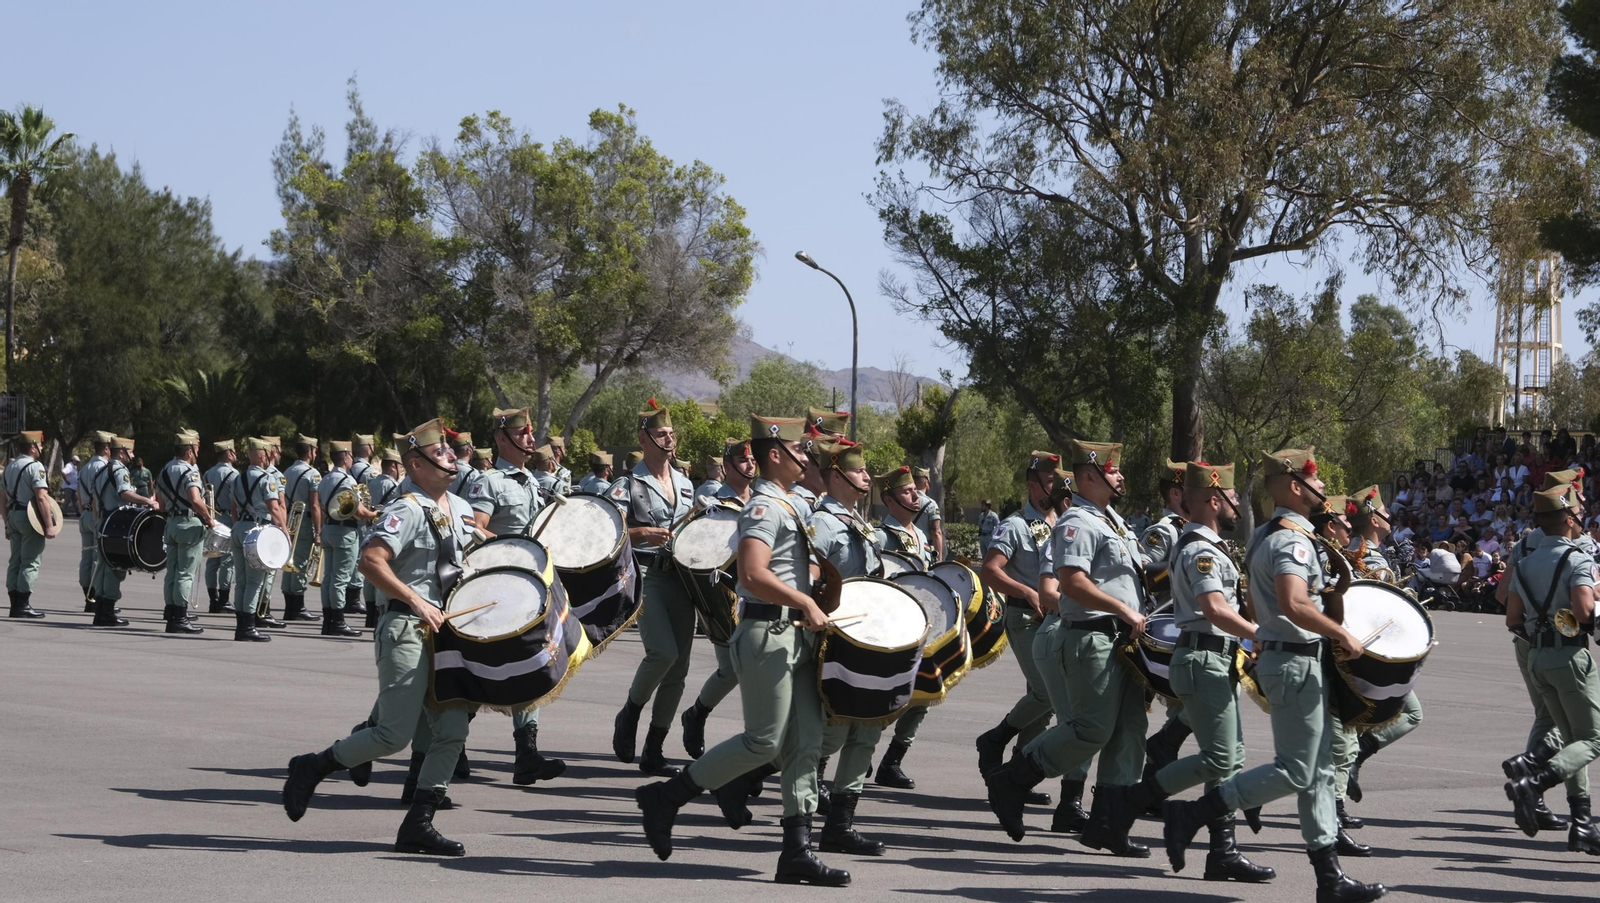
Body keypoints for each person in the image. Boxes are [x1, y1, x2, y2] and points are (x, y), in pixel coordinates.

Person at [1161, 447, 1386, 903]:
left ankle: (1329, 879)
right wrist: (1343, 634)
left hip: (1299, 658)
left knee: (1320, 771)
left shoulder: (1274, 533)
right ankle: (1193, 815)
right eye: (1314, 480)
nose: (1322, 488)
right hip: (1295, 661)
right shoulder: (1290, 540)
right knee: (1296, 770)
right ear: (1292, 486)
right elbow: (1294, 602)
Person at [635, 415, 849, 887]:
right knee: (765, 740)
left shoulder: (790, 505)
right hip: (768, 635)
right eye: (799, 449)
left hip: (797, 635)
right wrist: (806, 600)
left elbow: (790, 573)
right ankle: (666, 797)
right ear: (776, 454)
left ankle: (797, 851)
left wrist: (819, 592)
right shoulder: (763, 509)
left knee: (806, 745)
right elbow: (752, 575)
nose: (806, 457)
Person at [280, 418, 477, 856]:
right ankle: (313, 767)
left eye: (449, 451)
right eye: (441, 453)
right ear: (416, 464)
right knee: (394, 735)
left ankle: (418, 823)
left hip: (446, 634)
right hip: (407, 627)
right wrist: (417, 600)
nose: (451, 457)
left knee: (453, 728)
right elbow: (371, 561)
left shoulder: (461, 508)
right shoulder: (405, 508)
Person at [983, 440, 1151, 857]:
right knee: (1090, 730)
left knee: (1129, 732)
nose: (1121, 477)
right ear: (1091, 476)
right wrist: (1123, 611)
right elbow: (1072, 582)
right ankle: (1013, 779)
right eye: (1113, 472)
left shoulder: (1113, 522)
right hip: (1091, 637)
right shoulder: (1075, 521)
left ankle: (1108, 824)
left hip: (1122, 640)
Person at [1108, 461, 1274, 883]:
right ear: (1215, 500)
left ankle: (1223, 852)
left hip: (1213, 657)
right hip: (1203, 659)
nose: (1239, 505)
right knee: (1221, 757)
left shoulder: (1208, 545)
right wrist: (1262, 636)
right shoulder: (1201, 550)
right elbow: (1214, 609)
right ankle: (1135, 800)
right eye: (1234, 498)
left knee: (1229, 760)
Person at [469, 407, 566, 785]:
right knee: (481, 669)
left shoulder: (533, 483)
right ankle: (451, 744)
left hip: (530, 589)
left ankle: (527, 754)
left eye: (530, 433)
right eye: (522, 433)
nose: (530, 439)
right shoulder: (488, 482)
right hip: (495, 586)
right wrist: (512, 550)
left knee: (529, 665)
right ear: (501, 438)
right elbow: (476, 529)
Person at [1503, 483, 1600, 854]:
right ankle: (1535, 781)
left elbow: (1512, 616)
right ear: (1569, 519)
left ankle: (1582, 822)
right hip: (1569, 656)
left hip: (1537, 657)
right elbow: (1583, 611)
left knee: (1574, 739)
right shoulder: (1576, 558)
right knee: (1593, 739)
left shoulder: (1525, 562)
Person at [807, 438, 891, 857]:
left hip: (866, 636)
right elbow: (808, 578)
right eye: (859, 471)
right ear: (836, 475)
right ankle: (750, 777)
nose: (867, 476)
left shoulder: (858, 520)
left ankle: (840, 824)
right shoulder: (822, 523)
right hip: (834, 639)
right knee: (832, 732)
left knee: (868, 729)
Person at [976, 452, 1073, 817]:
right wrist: (1028, 592)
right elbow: (990, 570)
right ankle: (994, 739)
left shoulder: (1064, 521)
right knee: (1047, 693)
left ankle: (1018, 773)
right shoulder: (1014, 525)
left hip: (1057, 620)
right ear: (1033, 484)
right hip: (1025, 618)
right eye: (1050, 481)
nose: (1057, 486)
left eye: (1059, 480)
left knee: (1043, 706)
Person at [610, 400, 699, 776]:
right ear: (643, 439)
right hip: (648, 575)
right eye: (661, 433)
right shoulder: (628, 482)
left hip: (683, 578)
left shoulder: (685, 482)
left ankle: (655, 747)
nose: (669, 438)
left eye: (671, 432)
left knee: (679, 668)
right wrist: (640, 533)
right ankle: (629, 712)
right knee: (661, 653)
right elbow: (603, 531)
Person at [679, 437, 759, 756]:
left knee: (755, 667)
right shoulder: (715, 503)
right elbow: (696, 549)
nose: (749, 464)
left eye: (752, 459)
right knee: (732, 669)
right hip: (722, 591)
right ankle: (697, 714)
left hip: (757, 593)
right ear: (726, 468)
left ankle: (756, 743)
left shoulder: (762, 499)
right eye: (742, 461)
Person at [873, 465, 936, 789]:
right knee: (884, 697)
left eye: (916, 490)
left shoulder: (919, 534)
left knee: (923, 695)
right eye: (908, 491)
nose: (916, 495)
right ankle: (852, 755)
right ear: (889, 499)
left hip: (920, 625)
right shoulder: (881, 537)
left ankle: (892, 761)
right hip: (892, 626)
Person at [1141, 460, 1195, 783]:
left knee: (1186, 710)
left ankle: (1153, 780)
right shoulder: (1164, 531)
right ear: (1177, 493)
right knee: (1189, 707)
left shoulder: (1190, 529)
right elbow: (1144, 571)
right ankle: (1152, 779)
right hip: (1163, 636)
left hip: (1182, 633)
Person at [89, 437, 158, 628]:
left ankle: (101, 611)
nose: (133, 456)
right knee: (115, 567)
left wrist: (98, 523)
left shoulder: (100, 470)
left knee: (103, 567)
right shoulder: (119, 470)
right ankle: (108, 613)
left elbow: (94, 501)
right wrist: (148, 501)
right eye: (131, 451)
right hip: (115, 522)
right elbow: (124, 493)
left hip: (103, 522)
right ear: (121, 452)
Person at [154, 430, 215, 634]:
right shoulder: (191, 472)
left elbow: (161, 504)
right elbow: (196, 499)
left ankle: (171, 613)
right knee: (185, 573)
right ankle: (180, 617)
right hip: (189, 523)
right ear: (189, 450)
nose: (197, 451)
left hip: (171, 522)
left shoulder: (164, 470)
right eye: (196, 448)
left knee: (172, 571)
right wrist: (208, 518)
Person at [230, 438, 287, 642]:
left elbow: (233, 509)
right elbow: (274, 508)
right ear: (263, 455)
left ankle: (240, 626)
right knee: (255, 582)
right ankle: (248, 627)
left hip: (239, 529)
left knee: (241, 582)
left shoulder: (238, 478)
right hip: (257, 530)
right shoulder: (267, 479)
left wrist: (239, 527)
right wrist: (284, 531)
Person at [315, 441, 373, 637]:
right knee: (340, 579)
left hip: (329, 528)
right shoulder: (348, 481)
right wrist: (374, 515)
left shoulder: (325, 479)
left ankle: (328, 620)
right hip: (344, 532)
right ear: (347, 456)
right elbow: (358, 511)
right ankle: (338, 621)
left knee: (329, 577)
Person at [3, 430, 56, 618]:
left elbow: (2, 498)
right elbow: (41, 497)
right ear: (33, 447)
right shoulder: (36, 467)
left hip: (14, 516)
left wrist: (6, 523)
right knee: (30, 562)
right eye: (40, 445)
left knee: (15, 560)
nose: (41, 448)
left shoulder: (10, 467)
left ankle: (14, 604)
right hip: (30, 517)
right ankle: (23, 604)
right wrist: (49, 525)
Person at [279, 435, 324, 623]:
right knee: (300, 562)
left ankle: (290, 605)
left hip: (290, 518)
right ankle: (297, 606)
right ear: (311, 452)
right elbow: (314, 505)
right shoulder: (313, 474)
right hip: (304, 521)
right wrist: (318, 531)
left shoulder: (287, 471)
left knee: (290, 561)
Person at [361, 448, 404, 627]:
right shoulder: (394, 487)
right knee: (381, 572)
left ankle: (369, 613)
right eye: (400, 467)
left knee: (368, 575)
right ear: (393, 466)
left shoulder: (371, 482)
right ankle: (376, 614)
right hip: (384, 531)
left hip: (369, 528)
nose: (400, 471)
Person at [77, 432, 113, 611]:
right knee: (98, 558)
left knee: (86, 556)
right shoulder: (104, 467)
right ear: (106, 448)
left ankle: (87, 594)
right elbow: (101, 495)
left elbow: (78, 493)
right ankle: (95, 597)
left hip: (85, 514)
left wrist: (84, 513)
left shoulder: (85, 467)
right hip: (97, 515)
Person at [204, 440, 240, 614]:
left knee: (212, 559)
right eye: (233, 451)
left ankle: (213, 600)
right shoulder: (233, 474)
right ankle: (224, 600)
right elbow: (236, 500)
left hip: (212, 517)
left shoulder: (208, 473)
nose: (235, 453)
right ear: (228, 453)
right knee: (227, 560)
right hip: (227, 517)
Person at [911, 466, 946, 562]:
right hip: (924, 550)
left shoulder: (904, 501)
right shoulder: (930, 504)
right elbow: (936, 532)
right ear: (926, 482)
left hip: (907, 549)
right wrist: (939, 559)